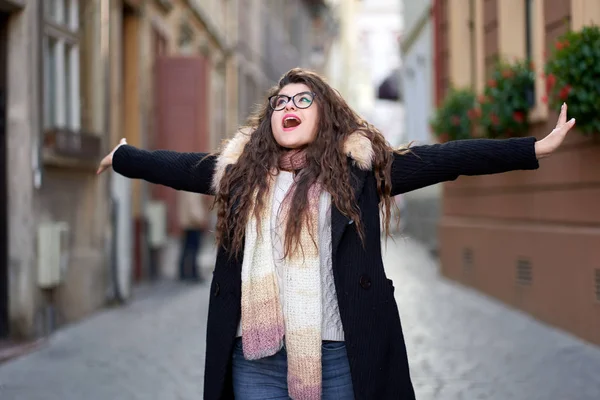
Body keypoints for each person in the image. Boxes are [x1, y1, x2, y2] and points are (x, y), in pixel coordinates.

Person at [97, 68, 575, 400]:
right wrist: (124, 157)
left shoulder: (359, 171)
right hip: (255, 358)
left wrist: (533, 148)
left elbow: (449, 160)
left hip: (340, 353)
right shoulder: (239, 172)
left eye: (302, 100)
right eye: (280, 101)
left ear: (325, 113)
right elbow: (179, 167)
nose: (289, 106)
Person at [177, 190, 208, 282]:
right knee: (193, 249)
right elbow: (194, 208)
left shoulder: (184, 189)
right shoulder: (192, 190)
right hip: (193, 224)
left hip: (187, 222)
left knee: (186, 248)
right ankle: (192, 273)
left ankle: (183, 273)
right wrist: (201, 220)